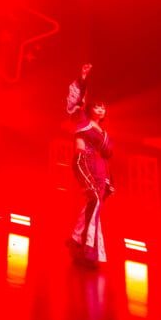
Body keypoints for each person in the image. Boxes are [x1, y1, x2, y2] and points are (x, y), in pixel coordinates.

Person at [65, 64, 114, 268]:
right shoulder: (83, 120)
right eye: (96, 106)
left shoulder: (105, 134)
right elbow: (78, 102)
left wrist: (109, 179)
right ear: (90, 109)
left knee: (94, 207)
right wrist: (83, 79)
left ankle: (84, 250)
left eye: (103, 107)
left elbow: (107, 156)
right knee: (93, 201)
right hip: (83, 161)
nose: (100, 109)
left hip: (100, 169)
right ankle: (80, 244)